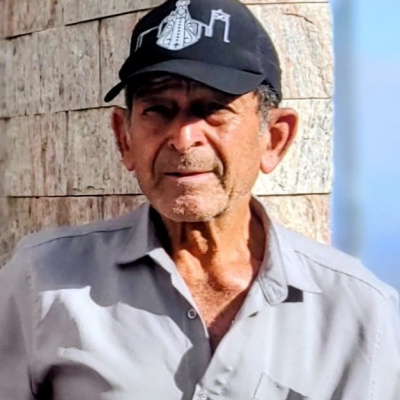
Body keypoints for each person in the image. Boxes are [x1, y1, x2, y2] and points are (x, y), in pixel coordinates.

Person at [0, 0, 399, 398]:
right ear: (124, 139)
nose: (183, 138)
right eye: (158, 109)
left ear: (274, 139)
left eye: (213, 110)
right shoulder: (43, 281)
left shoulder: (360, 315)